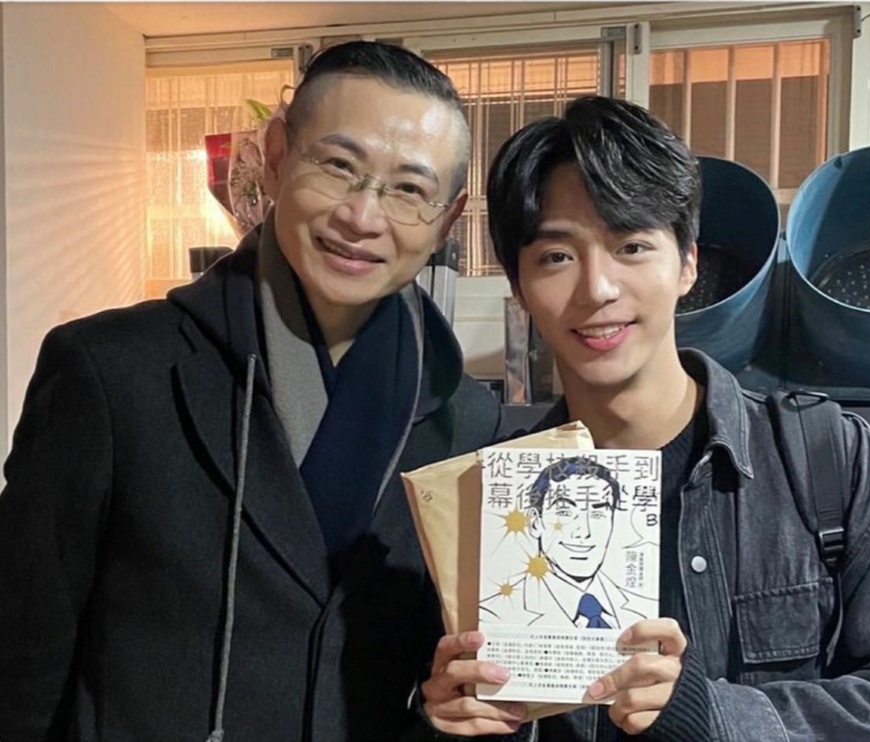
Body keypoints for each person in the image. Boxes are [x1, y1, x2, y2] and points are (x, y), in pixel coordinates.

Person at [0, 41, 502, 742]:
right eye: (338, 166)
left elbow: (438, 676)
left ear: (449, 219)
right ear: (275, 157)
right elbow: (22, 659)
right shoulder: (113, 373)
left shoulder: (468, 421)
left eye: (409, 189)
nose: (363, 216)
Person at [422, 96, 870, 741]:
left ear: (687, 262)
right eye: (556, 256)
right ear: (518, 287)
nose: (598, 289)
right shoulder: (489, 501)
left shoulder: (833, 461)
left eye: (631, 245)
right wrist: (446, 720)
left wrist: (711, 715)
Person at [479, 456, 654, 630]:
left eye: (598, 513)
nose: (584, 532)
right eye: (564, 512)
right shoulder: (492, 617)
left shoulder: (645, 611)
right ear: (535, 522)